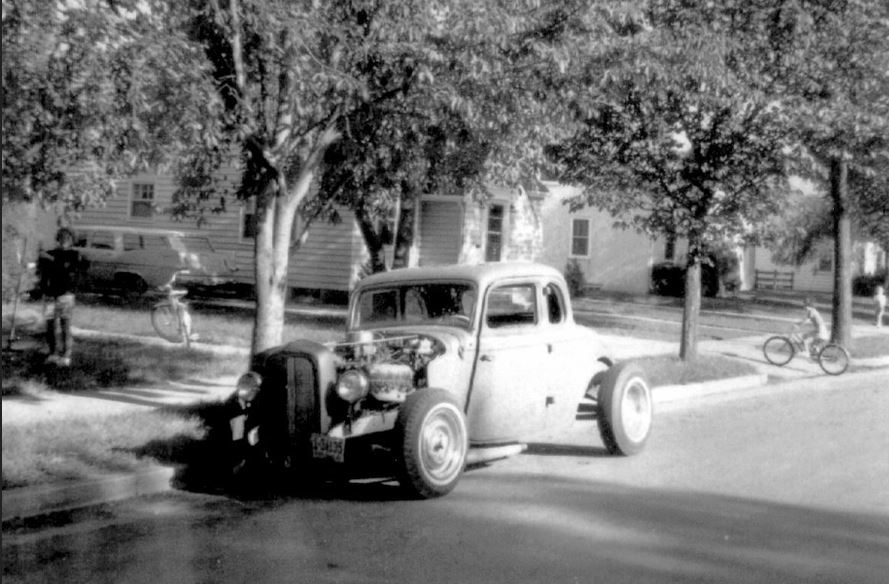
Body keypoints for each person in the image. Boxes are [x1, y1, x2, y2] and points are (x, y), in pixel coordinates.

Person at [37, 227, 86, 367]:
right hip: (50, 295)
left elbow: (67, 268)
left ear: (71, 240)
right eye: (61, 237)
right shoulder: (50, 253)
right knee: (50, 325)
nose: (64, 240)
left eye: (67, 238)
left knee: (65, 325)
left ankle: (66, 355)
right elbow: (43, 273)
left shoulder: (74, 255)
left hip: (66, 294)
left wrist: (50, 259)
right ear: (57, 238)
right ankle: (53, 353)